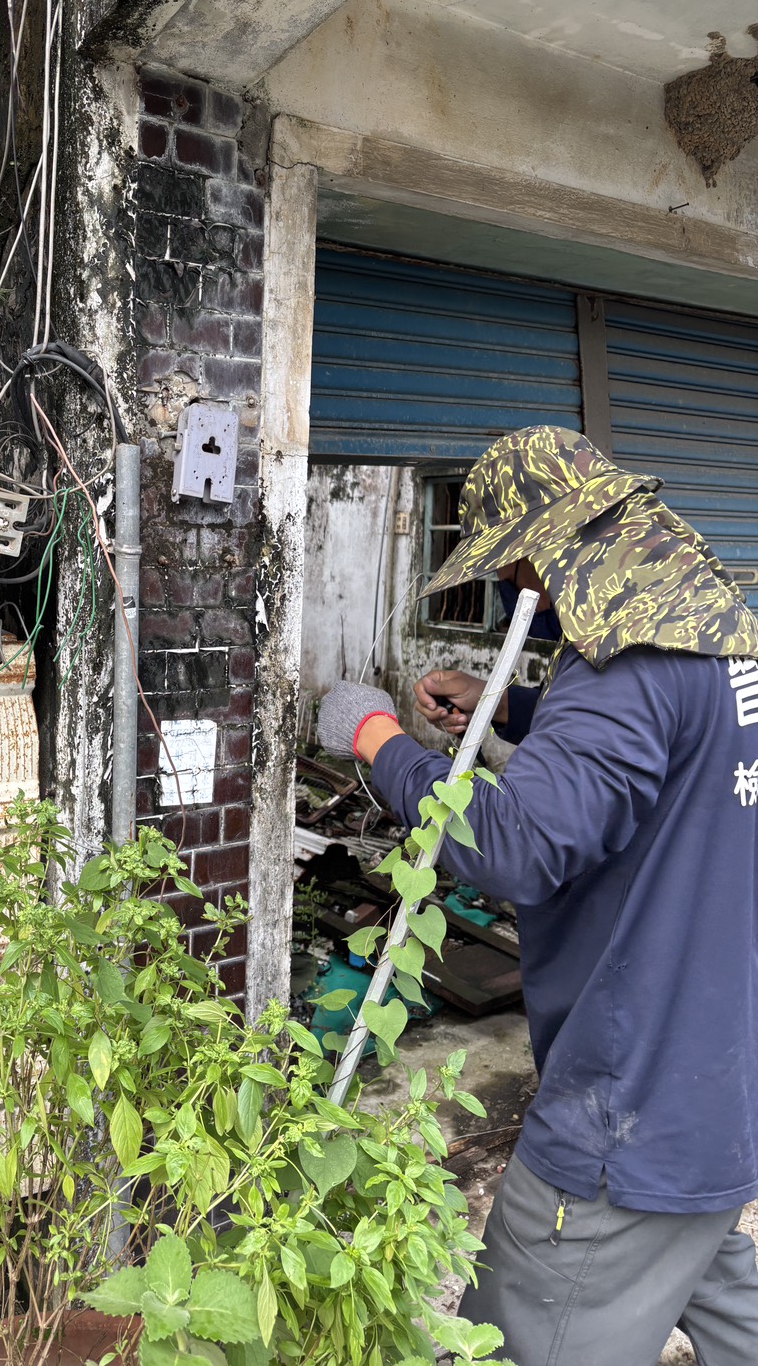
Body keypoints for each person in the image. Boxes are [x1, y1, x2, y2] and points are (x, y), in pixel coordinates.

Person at [317, 425, 758, 1366]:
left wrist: (381, 742)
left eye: (517, 572)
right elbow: (660, 758)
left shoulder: (629, 660)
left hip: (623, 1119)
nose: (521, 594)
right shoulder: (715, 634)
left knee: (519, 1336)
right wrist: (505, 705)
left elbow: (518, 846)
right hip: (718, 1094)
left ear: (548, 543)